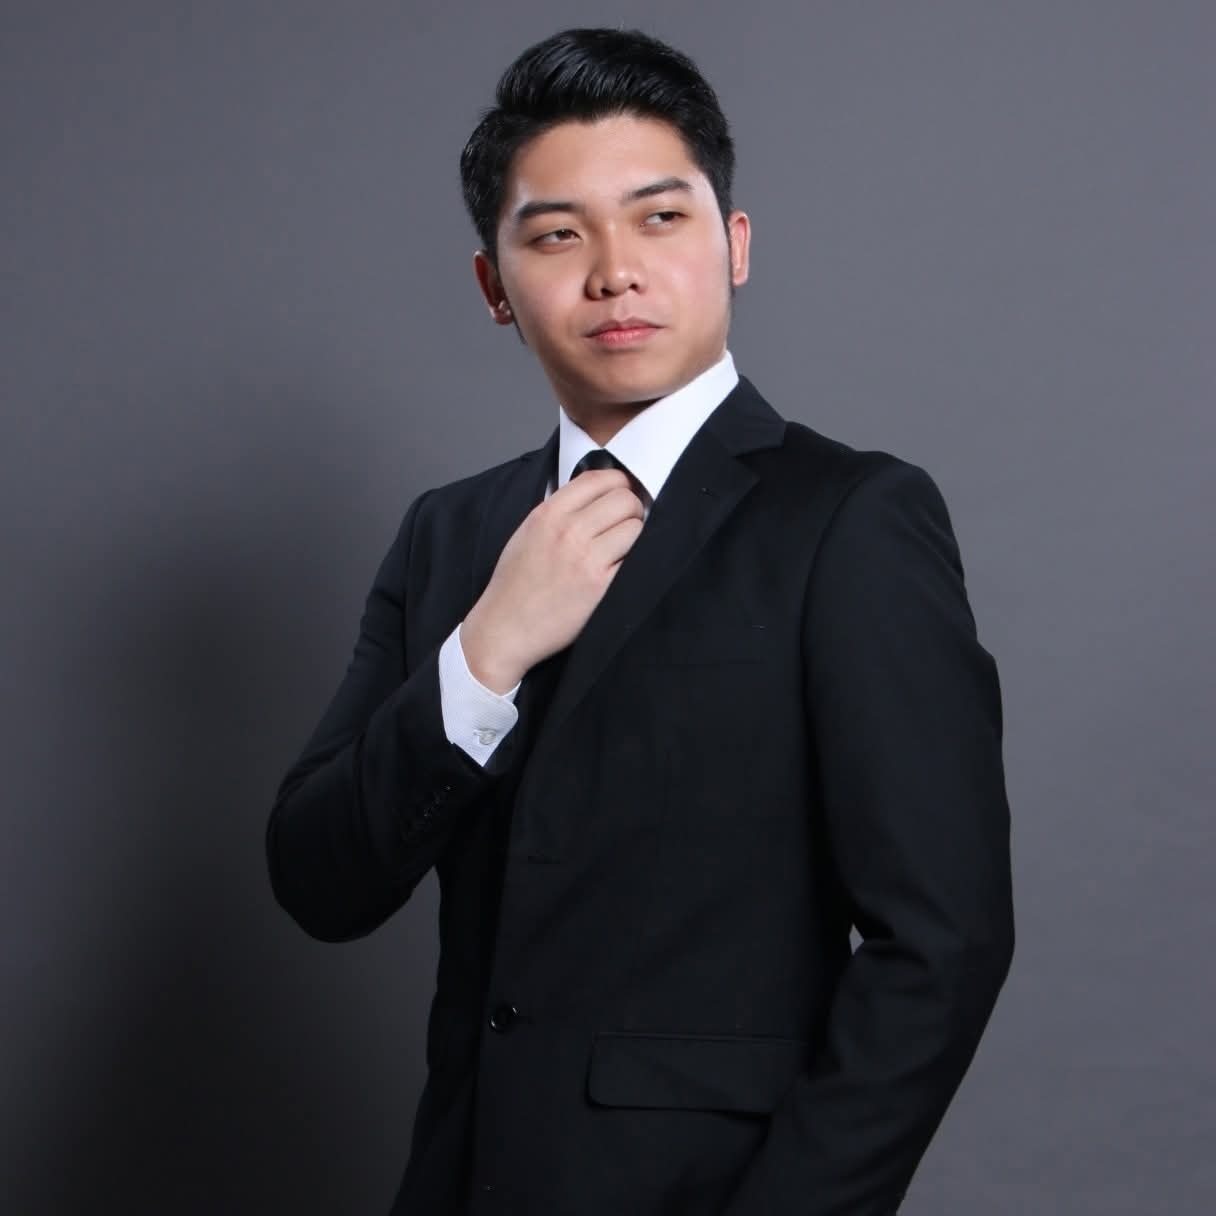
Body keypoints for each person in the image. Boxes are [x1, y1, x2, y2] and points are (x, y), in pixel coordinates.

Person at [265, 25, 1015, 1216]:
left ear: (735, 244)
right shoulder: (450, 536)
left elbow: (945, 942)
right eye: (557, 235)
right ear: (493, 286)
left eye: (659, 217)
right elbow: (319, 880)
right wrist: (487, 649)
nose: (613, 269)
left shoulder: (851, 519)